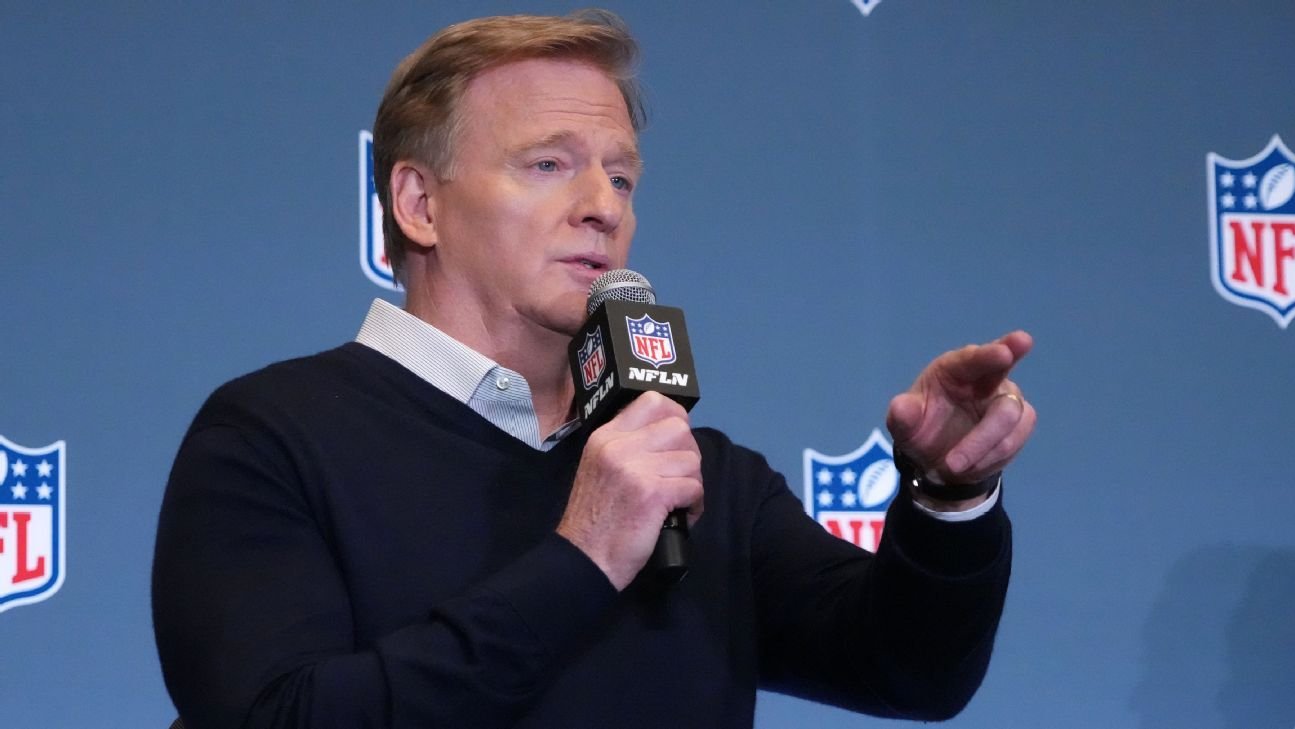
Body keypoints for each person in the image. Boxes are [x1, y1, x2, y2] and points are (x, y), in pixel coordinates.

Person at [152, 10, 1036, 729]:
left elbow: (911, 671)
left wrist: (948, 498)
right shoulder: (271, 439)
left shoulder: (693, 473)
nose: (602, 209)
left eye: (621, 178)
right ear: (419, 203)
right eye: (549, 165)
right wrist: (582, 557)